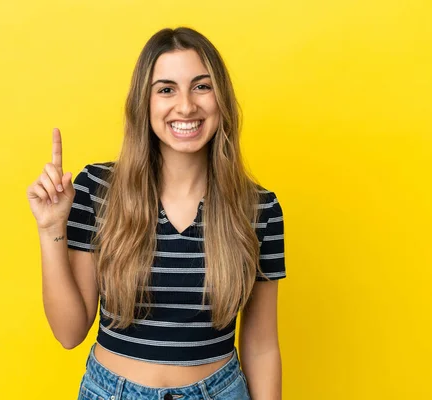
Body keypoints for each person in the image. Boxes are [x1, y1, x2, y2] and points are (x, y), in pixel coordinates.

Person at [27, 27, 286, 400]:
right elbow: (69, 333)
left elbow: (261, 346)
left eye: (202, 86)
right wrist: (51, 228)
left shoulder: (259, 209)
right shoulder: (97, 189)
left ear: (222, 99)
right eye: (166, 89)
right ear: (143, 103)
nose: (185, 106)